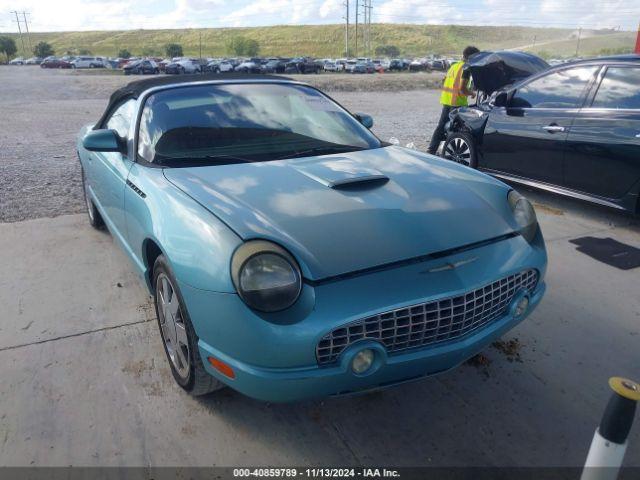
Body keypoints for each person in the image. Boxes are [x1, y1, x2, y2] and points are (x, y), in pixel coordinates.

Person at [427, 46, 480, 155]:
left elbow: (444, 82)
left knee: (441, 127)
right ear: (472, 57)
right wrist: (472, 93)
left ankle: (431, 150)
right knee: (456, 130)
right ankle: (451, 153)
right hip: (457, 103)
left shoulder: (454, 66)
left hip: (447, 100)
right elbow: (462, 89)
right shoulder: (466, 68)